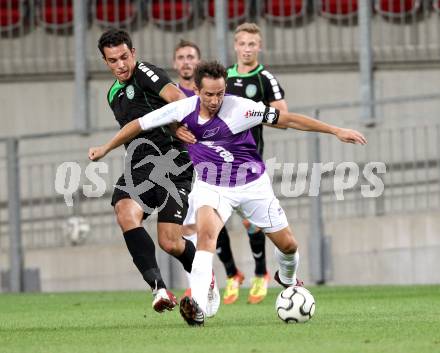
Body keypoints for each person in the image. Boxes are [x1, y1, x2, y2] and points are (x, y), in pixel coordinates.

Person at [88, 61, 367, 326]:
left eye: (220, 93)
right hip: (214, 186)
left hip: (253, 185)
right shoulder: (183, 109)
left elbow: (288, 119)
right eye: (208, 94)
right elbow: (137, 124)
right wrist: (105, 148)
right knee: (206, 236)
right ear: (196, 90)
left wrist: (335, 130)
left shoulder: (242, 109)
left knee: (289, 245)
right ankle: (196, 307)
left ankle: (288, 277)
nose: (214, 100)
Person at [175, 23, 289, 305]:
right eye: (243, 44)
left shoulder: (264, 79)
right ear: (235, 46)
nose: (247, 49)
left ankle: (261, 273)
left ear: (259, 47)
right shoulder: (221, 80)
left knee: (252, 223)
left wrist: (250, 116)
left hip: (248, 162)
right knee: (211, 222)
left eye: (253, 44)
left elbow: (282, 115)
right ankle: (228, 276)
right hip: (210, 163)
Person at [96, 29, 206, 314]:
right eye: (112, 60)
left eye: (124, 57)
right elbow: (137, 126)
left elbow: (176, 97)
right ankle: (158, 288)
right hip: (140, 165)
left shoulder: (145, 72)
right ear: (106, 62)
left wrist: (178, 123)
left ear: (133, 53)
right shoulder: (113, 94)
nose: (120, 65)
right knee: (124, 211)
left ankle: (205, 280)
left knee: (170, 243)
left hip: (172, 161)